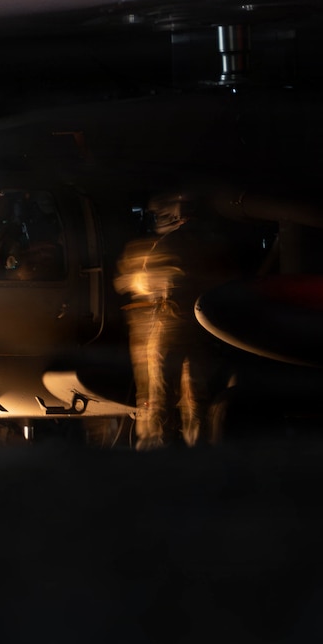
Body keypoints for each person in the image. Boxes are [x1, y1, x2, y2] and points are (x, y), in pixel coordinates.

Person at [113, 189, 239, 449]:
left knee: (159, 394)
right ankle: (199, 447)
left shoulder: (165, 244)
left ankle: (158, 446)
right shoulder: (211, 246)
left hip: (168, 327)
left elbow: (144, 282)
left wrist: (132, 279)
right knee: (196, 394)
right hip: (199, 329)